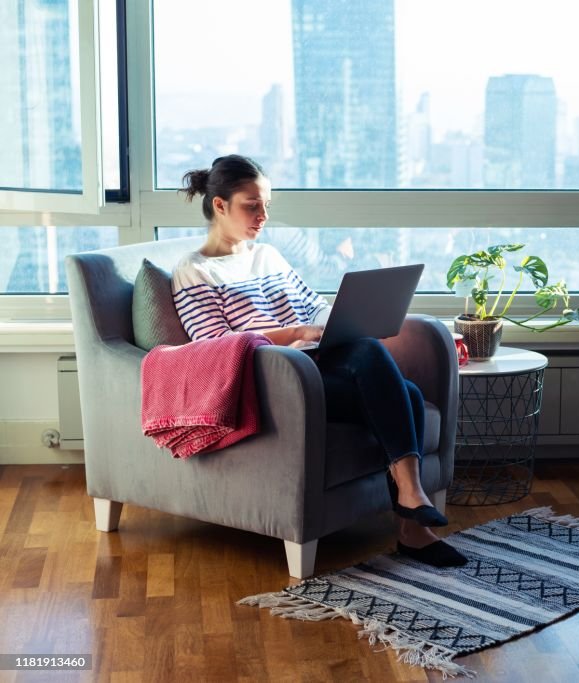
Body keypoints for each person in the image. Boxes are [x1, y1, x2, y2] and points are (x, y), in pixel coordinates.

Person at [171, 154, 466, 568]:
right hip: (272, 377)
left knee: (405, 389)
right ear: (220, 205)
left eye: (267, 205)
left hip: (315, 364)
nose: (262, 216)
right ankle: (412, 505)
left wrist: (351, 319)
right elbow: (214, 345)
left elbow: (313, 307)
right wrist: (293, 334)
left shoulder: (268, 257)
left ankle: (413, 526)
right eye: (251, 206)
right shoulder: (195, 271)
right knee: (389, 376)